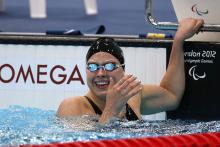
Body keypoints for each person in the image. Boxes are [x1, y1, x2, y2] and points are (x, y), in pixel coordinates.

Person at [57, 18, 204, 123]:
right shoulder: (72, 106)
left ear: (123, 70)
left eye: (109, 66)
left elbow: (172, 96)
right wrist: (111, 109)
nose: (100, 74)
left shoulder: (132, 95)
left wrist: (178, 40)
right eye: (93, 67)